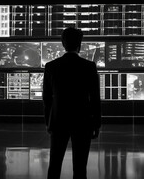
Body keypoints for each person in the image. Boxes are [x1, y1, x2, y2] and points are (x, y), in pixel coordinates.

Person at [43, 27, 101, 179]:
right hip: (83, 122)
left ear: (63, 43)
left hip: (58, 121)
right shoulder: (89, 67)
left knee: (54, 165)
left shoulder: (51, 66)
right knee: (80, 168)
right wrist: (97, 124)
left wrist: (48, 122)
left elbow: (47, 98)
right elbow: (95, 98)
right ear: (80, 44)